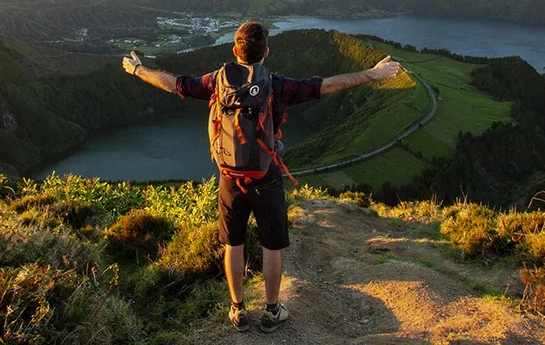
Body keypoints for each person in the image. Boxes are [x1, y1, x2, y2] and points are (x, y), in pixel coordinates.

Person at [122, 20, 400, 333]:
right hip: (266, 177)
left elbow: (175, 83)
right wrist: (374, 74)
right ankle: (271, 311)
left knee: (234, 244)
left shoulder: (218, 80)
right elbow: (327, 85)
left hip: (230, 177)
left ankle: (237, 310)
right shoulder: (277, 85)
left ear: (234, 50)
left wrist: (137, 69)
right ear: (265, 53)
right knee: (271, 247)